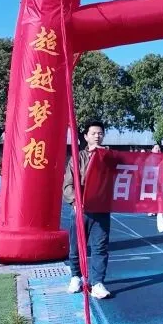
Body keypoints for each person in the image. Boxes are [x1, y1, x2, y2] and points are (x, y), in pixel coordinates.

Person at [64, 121, 112, 299]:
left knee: (100, 246)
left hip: (101, 209)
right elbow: (68, 184)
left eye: (100, 133)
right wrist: (75, 201)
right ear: (85, 136)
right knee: (76, 246)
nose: (97, 136)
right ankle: (75, 276)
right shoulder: (77, 158)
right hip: (81, 209)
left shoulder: (109, 157)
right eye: (93, 133)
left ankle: (97, 282)